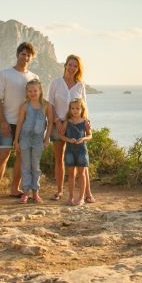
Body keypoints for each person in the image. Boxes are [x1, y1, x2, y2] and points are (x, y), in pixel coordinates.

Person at [0, 42, 39, 206]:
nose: (25, 57)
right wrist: (3, 122)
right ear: (17, 54)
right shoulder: (4, 74)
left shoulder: (34, 78)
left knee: (21, 157)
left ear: (31, 57)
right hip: (8, 123)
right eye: (23, 54)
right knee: (3, 156)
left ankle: (15, 189)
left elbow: (36, 102)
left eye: (28, 55)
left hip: (26, 125)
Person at [47, 55, 95, 202]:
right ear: (65, 65)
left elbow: (84, 106)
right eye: (70, 64)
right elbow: (50, 105)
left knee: (82, 162)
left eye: (75, 66)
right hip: (58, 124)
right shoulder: (55, 83)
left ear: (78, 68)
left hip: (76, 126)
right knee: (59, 159)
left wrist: (86, 122)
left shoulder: (80, 85)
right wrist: (56, 121)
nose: (72, 68)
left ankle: (88, 194)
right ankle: (60, 191)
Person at [13, 79, 53, 203]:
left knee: (35, 167)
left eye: (35, 91)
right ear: (27, 92)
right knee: (25, 166)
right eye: (30, 91)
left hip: (38, 140)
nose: (32, 93)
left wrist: (46, 140)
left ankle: (36, 193)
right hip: (24, 139)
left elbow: (51, 123)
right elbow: (19, 123)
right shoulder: (25, 106)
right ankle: (25, 193)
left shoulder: (46, 106)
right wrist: (16, 140)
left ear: (40, 91)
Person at [62, 98, 92, 206]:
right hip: (69, 151)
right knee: (71, 175)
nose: (75, 110)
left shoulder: (85, 122)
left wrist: (83, 139)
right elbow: (61, 135)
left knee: (82, 174)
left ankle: (81, 198)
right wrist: (69, 140)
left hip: (81, 151)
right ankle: (70, 197)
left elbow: (90, 135)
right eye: (73, 108)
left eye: (77, 108)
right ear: (70, 109)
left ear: (82, 109)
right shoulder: (67, 122)